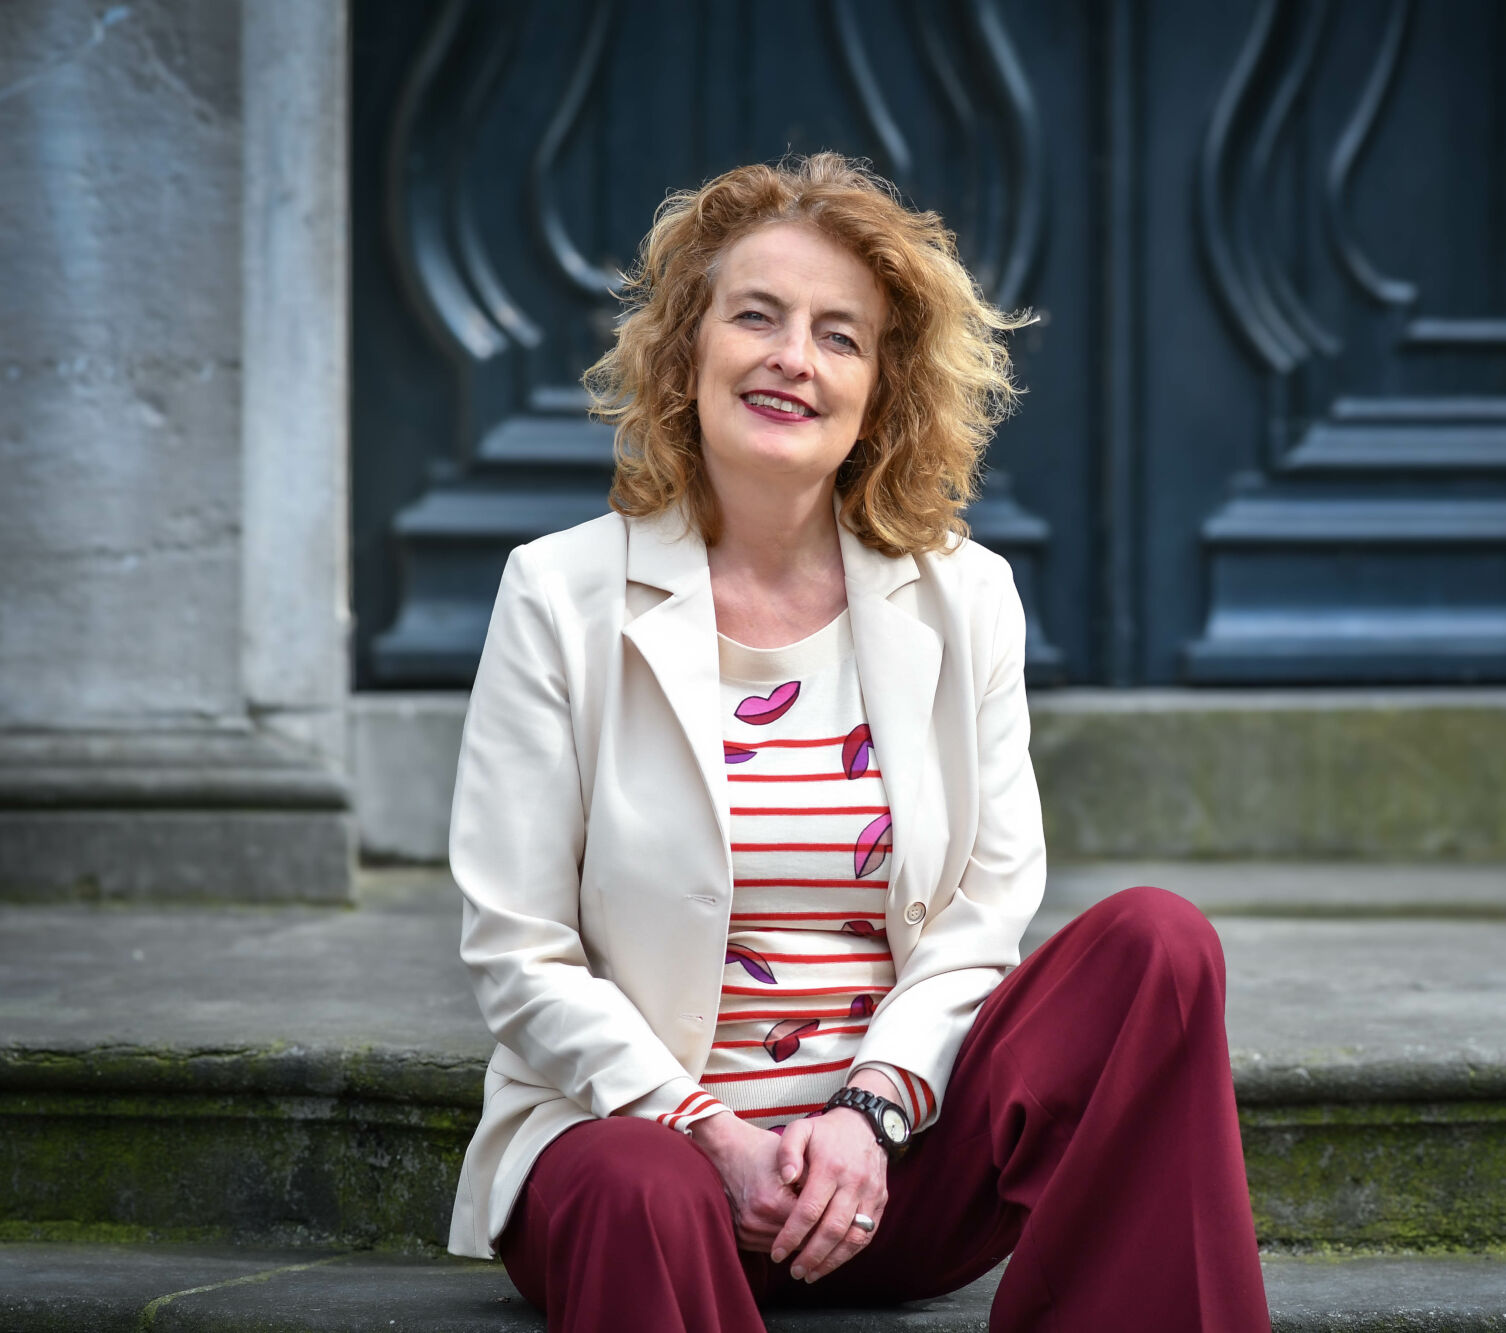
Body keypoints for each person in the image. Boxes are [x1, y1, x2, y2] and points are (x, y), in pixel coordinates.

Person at [443, 152, 1269, 1332]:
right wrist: (705, 1129)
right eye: (756, 316)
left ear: (881, 392)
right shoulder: (559, 592)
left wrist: (870, 1113)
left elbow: (986, 909)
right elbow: (518, 949)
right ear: (685, 352)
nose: (793, 356)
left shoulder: (964, 596)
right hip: (647, 1159)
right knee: (637, 1187)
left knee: (1157, 944)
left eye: (839, 336)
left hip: (885, 1177)